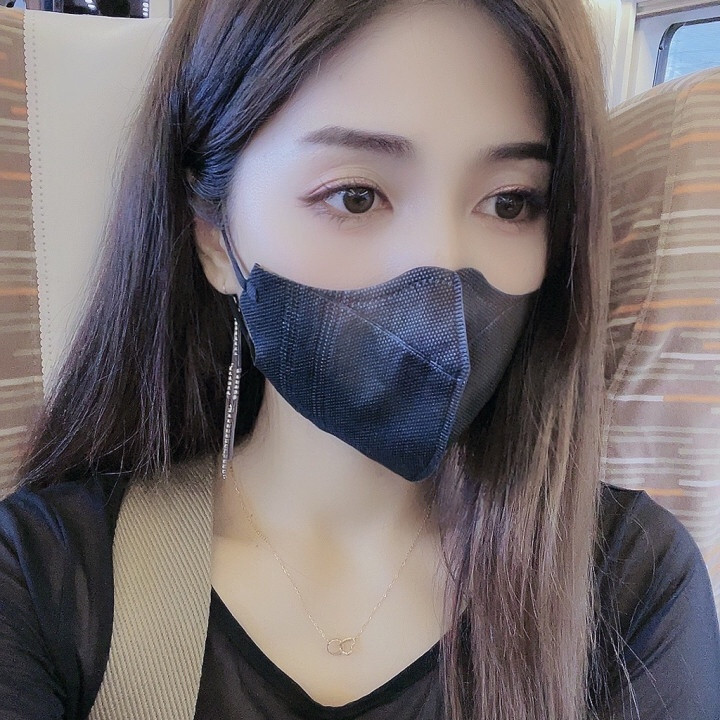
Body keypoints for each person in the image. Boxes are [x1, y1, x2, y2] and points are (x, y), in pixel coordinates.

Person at [1, 1, 719, 719]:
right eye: (356, 196)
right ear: (214, 237)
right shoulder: (44, 577)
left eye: (509, 203)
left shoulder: (632, 580)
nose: (440, 267)